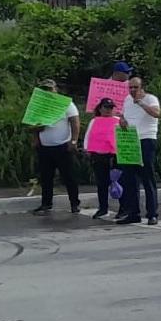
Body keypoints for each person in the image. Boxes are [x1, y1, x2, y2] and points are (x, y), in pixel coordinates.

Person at [29, 79, 81, 215]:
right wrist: (37, 133)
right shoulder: (38, 105)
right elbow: (31, 126)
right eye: (44, 90)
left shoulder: (66, 103)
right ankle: (46, 204)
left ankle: (74, 204)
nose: (47, 92)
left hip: (63, 145)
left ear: (55, 89)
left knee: (69, 176)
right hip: (45, 146)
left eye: (49, 89)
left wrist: (74, 140)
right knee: (46, 177)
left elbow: (75, 121)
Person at [117, 76, 161, 225]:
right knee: (129, 178)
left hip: (146, 139)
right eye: (130, 87)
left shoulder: (150, 99)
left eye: (135, 87)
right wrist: (121, 120)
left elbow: (157, 113)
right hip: (130, 140)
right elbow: (123, 115)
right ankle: (133, 212)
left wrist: (141, 103)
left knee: (147, 177)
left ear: (142, 88)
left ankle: (152, 213)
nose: (132, 90)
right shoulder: (127, 100)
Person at [83, 98, 120, 219]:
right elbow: (89, 136)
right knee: (102, 183)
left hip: (114, 156)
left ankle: (123, 208)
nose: (108, 110)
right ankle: (103, 208)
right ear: (100, 108)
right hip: (99, 156)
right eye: (106, 107)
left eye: (110, 108)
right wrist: (87, 149)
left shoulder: (118, 121)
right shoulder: (94, 121)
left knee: (118, 182)